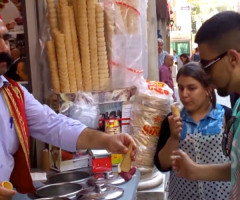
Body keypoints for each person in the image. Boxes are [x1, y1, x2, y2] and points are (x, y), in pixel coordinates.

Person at [0, 18, 136, 199]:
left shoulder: (12, 93)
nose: (5, 48)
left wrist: (107, 140)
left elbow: (54, 125)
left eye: (5, 39)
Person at [171, 11, 240, 199]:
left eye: (206, 64)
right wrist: (195, 171)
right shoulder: (238, 107)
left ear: (233, 59)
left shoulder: (225, 113)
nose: (204, 74)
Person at [154, 62, 232, 200]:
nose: (184, 94)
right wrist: (173, 137)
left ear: (208, 89)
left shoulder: (227, 117)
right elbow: (163, 165)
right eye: (181, 88)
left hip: (222, 195)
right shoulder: (172, 120)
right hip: (182, 195)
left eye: (191, 88)